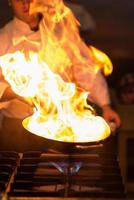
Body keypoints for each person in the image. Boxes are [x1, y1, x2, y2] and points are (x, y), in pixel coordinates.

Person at [0, 0, 121, 151]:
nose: (25, 3)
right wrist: (18, 93)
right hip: (17, 131)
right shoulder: (3, 38)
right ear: (10, 2)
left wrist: (106, 106)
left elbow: (86, 69)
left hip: (59, 126)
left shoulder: (60, 31)